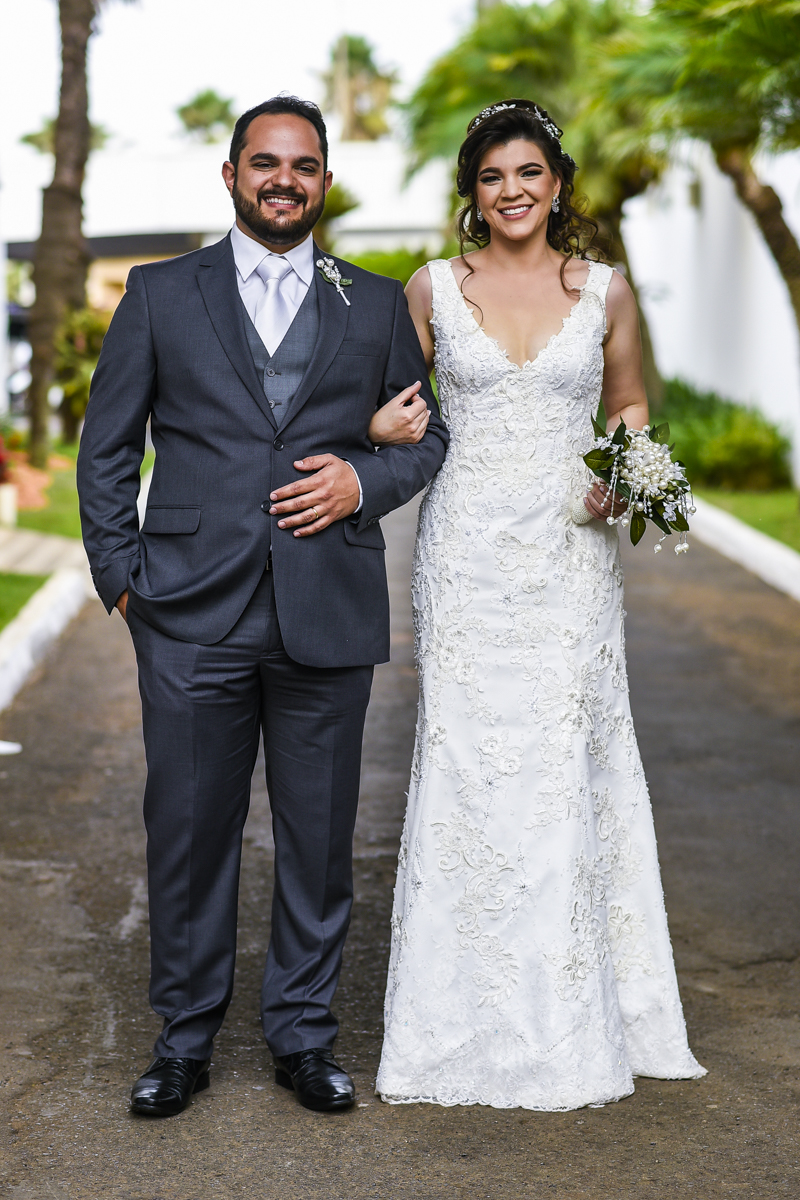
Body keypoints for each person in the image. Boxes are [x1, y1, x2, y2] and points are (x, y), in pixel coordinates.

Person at [76, 96, 448, 1118]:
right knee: (189, 833)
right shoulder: (158, 294)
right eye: (266, 162)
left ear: (325, 181)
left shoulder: (371, 306)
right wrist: (121, 576)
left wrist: (362, 483)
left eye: (304, 165)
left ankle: (302, 1036)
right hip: (188, 612)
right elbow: (107, 448)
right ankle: (184, 1040)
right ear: (232, 173)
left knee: (320, 839)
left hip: (323, 603)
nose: (284, 179)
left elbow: (424, 439)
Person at [369, 99, 705, 1110]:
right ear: (470, 196)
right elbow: (384, 395)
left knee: (564, 764)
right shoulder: (431, 288)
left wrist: (620, 463)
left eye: (527, 173)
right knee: (471, 765)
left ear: (556, 184)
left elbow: (630, 398)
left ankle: (573, 1020)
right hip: (466, 559)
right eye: (489, 177)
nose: (510, 191)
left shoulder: (600, 289)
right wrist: (380, 425)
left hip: (569, 557)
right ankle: (452, 1028)